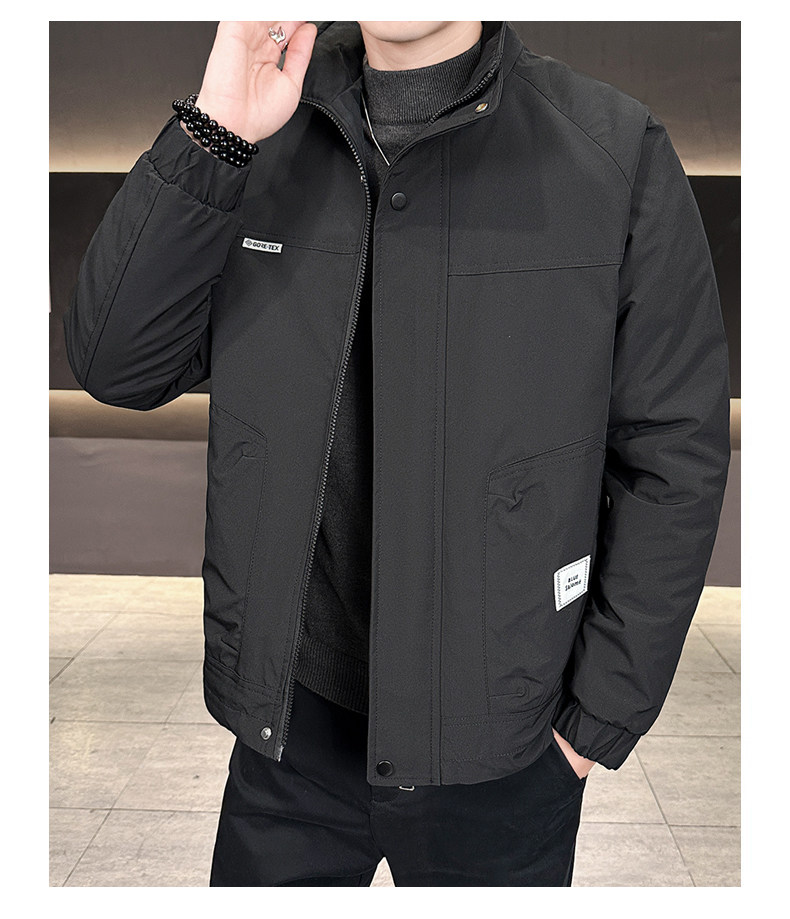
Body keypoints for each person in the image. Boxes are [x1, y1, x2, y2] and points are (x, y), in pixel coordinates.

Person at [63, 20, 731, 887]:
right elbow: (118, 363)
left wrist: (593, 722)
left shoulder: (613, 149)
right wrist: (215, 127)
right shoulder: (259, 135)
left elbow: (673, 454)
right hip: (289, 734)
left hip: (503, 751)